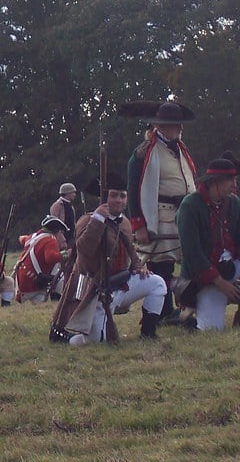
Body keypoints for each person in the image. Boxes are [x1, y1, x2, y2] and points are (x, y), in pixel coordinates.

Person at [51, 172, 166, 345]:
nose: (119, 200)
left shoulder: (124, 222)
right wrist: (98, 219)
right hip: (95, 290)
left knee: (157, 283)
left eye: (122, 196)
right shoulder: (87, 221)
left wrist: (138, 267)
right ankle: (69, 340)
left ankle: (148, 333)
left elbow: (130, 249)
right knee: (97, 341)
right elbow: (85, 249)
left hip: (121, 282)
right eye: (113, 195)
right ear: (104, 199)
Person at [122, 100, 198, 321]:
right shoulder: (144, 152)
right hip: (160, 215)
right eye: (172, 124)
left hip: (183, 214)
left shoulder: (180, 149)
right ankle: (162, 312)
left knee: (182, 263)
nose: (177, 128)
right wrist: (139, 224)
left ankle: (182, 306)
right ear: (160, 125)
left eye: (178, 124)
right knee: (160, 265)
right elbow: (133, 190)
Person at [175, 158, 240, 331]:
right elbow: (193, 254)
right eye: (230, 180)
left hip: (231, 266)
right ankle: (190, 310)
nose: (234, 185)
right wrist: (221, 283)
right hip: (204, 277)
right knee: (212, 329)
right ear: (215, 181)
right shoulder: (190, 206)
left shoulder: (234, 203)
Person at [14, 215, 70, 303]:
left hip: (22, 283)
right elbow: (51, 258)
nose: (64, 238)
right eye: (61, 233)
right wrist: (67, 254)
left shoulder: (33, 236)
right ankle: (56, 302)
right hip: (33, 284)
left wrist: (22, 238)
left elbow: (22, 239)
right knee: (60, 276)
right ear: (56, 231)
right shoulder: (51, 240)